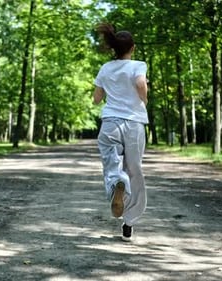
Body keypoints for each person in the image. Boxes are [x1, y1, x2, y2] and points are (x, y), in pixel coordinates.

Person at [93, 23, 148, 242]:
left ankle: (118, 182)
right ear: (132, 48)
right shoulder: (138, 65)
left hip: (110, 123)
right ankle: (129, 224)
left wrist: (106, 94)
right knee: (135, 170)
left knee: (111, 164)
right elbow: (140, 83)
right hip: (134, 123)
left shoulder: (105, 68)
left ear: (114, 48)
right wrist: (143, 98)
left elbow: (97, 98)